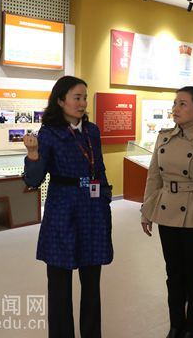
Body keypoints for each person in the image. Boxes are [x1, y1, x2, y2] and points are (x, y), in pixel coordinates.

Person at [22, 76, 113, 338]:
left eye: (85, 98)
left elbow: (99, 168)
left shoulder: (92, 131)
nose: (82, 103)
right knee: (60, 283)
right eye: (77, 98)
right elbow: (34, 180)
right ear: (61, 101)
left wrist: (105, 196)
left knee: (92, 281)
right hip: (62, 210)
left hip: (93, 210)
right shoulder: (49, 133)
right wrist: (33, 155)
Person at [141, 86, 193, 338]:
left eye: (182, 104)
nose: (175, 108)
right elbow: (153, 177)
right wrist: (146, 210)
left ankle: (192, 326)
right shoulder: (164, 137)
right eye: (175, 103)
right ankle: (175, 324)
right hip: (167, 211)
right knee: (173, 274)